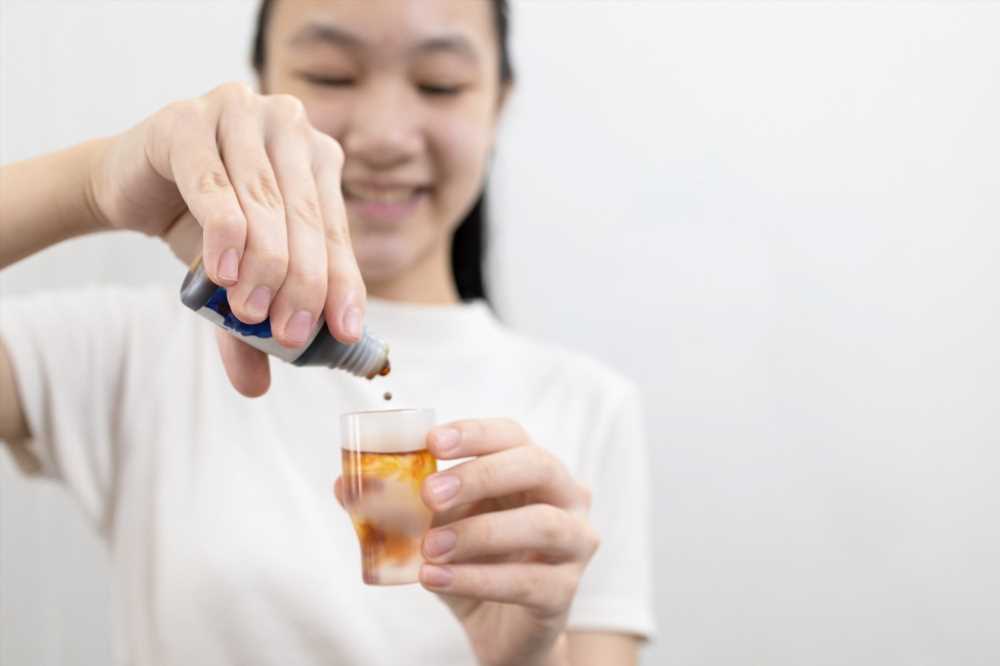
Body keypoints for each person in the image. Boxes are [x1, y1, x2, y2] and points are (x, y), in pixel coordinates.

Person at [0, 1, 655, 664]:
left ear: (498, 104)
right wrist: (92, 186)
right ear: (263, 85)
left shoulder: (588, 405)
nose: (384, 136)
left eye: (439, 84)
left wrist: (526, 660)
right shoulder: (138, 350)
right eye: (331, 74)